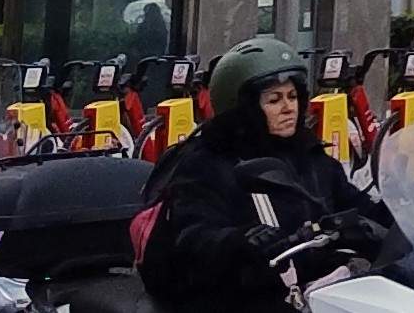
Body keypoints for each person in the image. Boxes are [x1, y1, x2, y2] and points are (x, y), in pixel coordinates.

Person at [141, 37, 398, 313]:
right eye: (274, 100)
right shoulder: (208, 163)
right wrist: (241, 240)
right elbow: (194, 236)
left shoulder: (310, 157)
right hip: (241, 299)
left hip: (317, 293)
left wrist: (405, 213)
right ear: (244, 108)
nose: (289, 107)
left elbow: (358, 209)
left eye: (293, 96)